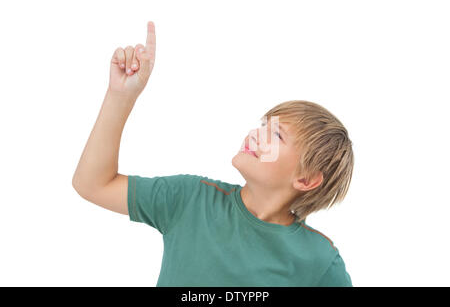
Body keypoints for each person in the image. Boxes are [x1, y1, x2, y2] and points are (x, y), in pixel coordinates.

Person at [72, 21, 354, 287]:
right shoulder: (190, 198)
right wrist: (120, 96)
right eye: (263, 125)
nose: (255, 135)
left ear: (306, 180)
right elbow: (93, 184)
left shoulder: (320, 261)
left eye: (276, 135)